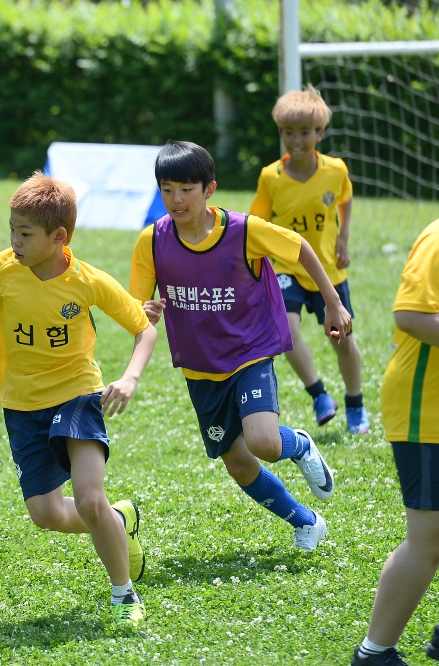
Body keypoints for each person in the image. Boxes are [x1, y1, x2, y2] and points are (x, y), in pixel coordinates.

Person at [0, 172, 157, 626]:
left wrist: (130, 378)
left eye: (25, 234)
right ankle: (118, 523)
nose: (14, 241)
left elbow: (145, 329)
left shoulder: (87, 281)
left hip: (78, 395)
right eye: (11, 230)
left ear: (58, 237)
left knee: (88, 497)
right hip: (21, 404)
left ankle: (124, 595)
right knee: (45, 514)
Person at [131, 141, 351, 553]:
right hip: (200, 366)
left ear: (209, 189)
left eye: (186, 189)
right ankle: (307, 521)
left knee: (264, 443)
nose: (176, 199)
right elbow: (139, 310)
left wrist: (334, 303)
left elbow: (300, 247)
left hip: (250, 351)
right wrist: (146, 311)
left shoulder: (244, 231)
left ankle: (299, 444)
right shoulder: (152, 241)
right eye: (167, 189)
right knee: (237, 462)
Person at [250, 85, 368, 434]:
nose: (295, 140)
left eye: (304, 132)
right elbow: (255, 224)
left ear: (320, 133)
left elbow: (345, 199)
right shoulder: (271, 176)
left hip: (328, 272)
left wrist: (343, 237)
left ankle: (355, 404)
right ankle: (318, 395)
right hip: (286, 268)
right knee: (285, 329)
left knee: (341, 339)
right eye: (288, 132)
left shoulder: (336, 171)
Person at [351, 219, 439, 666]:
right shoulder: (438, 239)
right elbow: (411, 315)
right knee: (428, 540)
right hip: (428, 410)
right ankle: (375, 653)